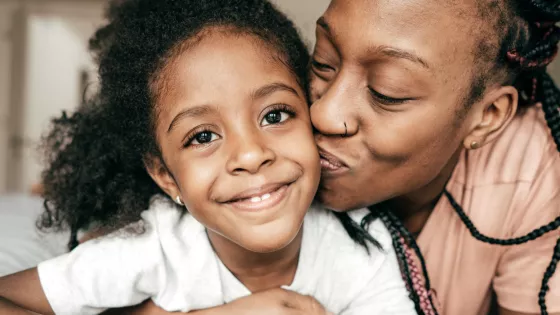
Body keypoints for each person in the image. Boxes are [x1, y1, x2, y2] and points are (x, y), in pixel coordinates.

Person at [115, 0, 560, 314]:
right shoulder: (239, 169)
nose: (324, 113)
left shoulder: (532, 174)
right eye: (324, 62)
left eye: (388, 91)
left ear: (486, 118)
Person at [0, 0, 416, 314]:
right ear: (165, 176)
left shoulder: (362, 247)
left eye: (275, 115)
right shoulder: (155, 249)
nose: (251, 155)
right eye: (202, 136)